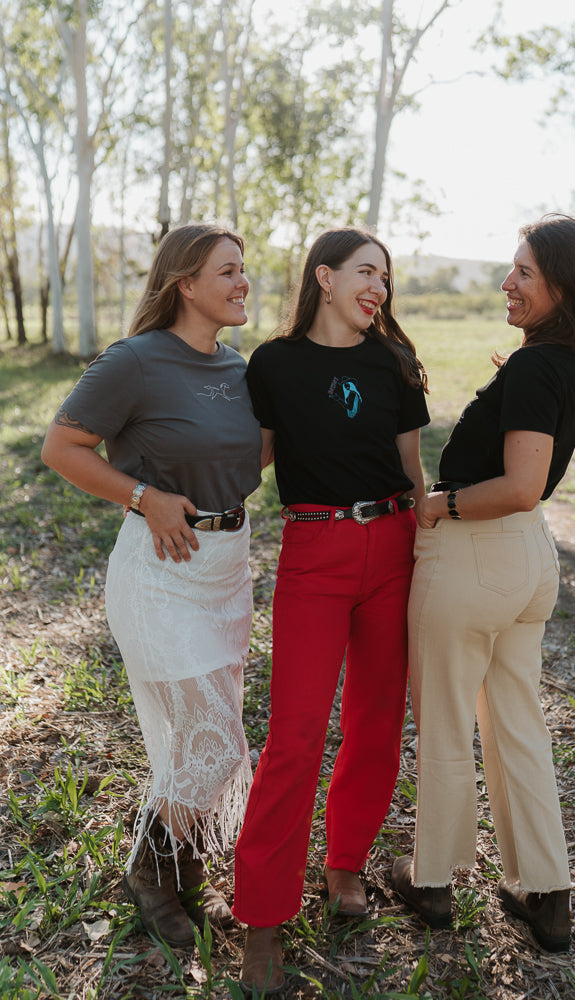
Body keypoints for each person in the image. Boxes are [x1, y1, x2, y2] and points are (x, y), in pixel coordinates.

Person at [391, 214, 575, 953]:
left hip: (475, 553)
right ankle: (547, 894)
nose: (507, 282)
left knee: (443, 717)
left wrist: (439, 504)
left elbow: (521, 484)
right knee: (519, 725)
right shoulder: (564, 362)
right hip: (525, 564)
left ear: (562, 284)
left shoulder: (534, 367)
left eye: (523, 272)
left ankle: (431, 881)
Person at [41, 223, 262, 947]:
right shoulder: (133, 362)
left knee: (201, 736)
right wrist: (143, 496)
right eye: (227, 270)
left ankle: (186, 873)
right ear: (184, 284)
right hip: (160, 569)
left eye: (243, 269)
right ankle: (148, 868)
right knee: (215, 743)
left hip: (227, 569)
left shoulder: (238, 368)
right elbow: (61, 446)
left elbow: (251, 460)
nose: (242, 281)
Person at [232, 227, 430, 992]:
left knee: (376, 722)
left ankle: (344, 866)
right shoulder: (273, 364)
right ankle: (262, 917)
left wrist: (430, 542)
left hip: (394, 544)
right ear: (324, 276)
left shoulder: (392, 363)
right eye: (365, 271)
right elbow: (250, 464)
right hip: (314, 552)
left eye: (385, 275)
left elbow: (414, 473)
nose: (378, 285)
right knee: (295, 734)